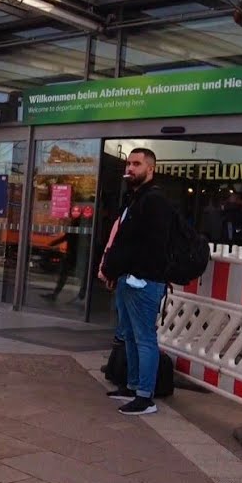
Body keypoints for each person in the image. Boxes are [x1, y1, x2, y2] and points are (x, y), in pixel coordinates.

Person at [99, 148, 173, 416]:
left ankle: (145, 396)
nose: (130, 167)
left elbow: (151, 244)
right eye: (129, 163)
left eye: (137, 164)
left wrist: (133, 272)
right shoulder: (135, 198)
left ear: (150, 168)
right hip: (128, 279)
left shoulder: (155, 200)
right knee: (129, 335)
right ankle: (131, 386)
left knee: (144, 338)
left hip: (144, 281)